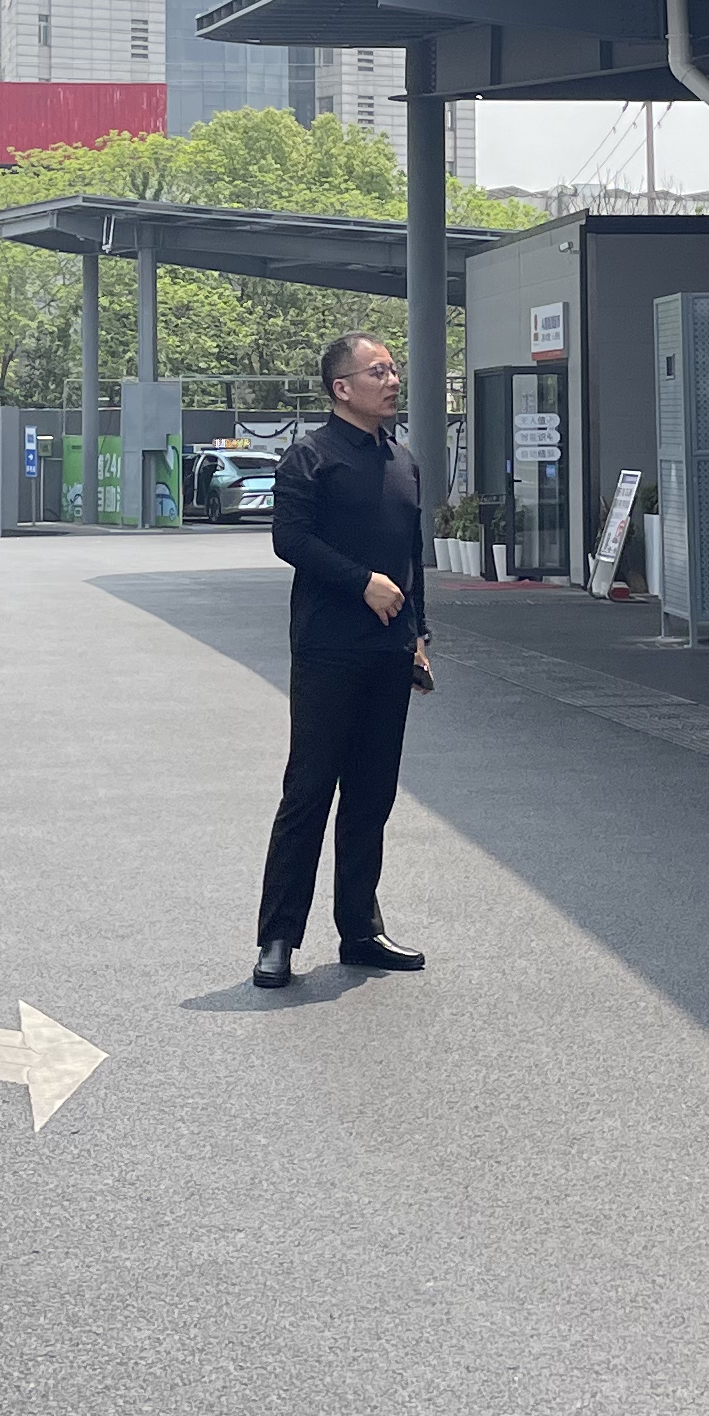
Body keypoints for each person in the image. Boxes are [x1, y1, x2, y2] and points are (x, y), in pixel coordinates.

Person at [254, 331, 431, 988]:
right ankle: (278, 938)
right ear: (341, 387)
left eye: (393, 369)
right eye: (377, 371)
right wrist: (361, 583)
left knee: (372, 795)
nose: (392, 380)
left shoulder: (402, 461)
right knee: (308, 792)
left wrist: (418, 636)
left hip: (389, 652)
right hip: (328, 649)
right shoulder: (311, 457)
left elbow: (412, 560)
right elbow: (290, 539)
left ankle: (360, 929)